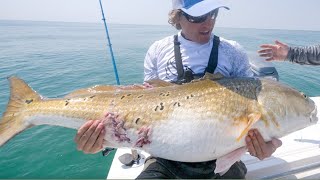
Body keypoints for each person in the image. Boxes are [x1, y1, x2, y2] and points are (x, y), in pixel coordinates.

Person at [74, 0, 282, 178]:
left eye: (213, 13)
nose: (208, 22)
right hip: (165, 158)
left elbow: (253, 104)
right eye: (198, 16)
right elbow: (146, 106)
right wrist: (104, 139)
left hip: (225, 157)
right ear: (178, 17)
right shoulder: (157, 50)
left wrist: (266, 143)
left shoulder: (233, 51)